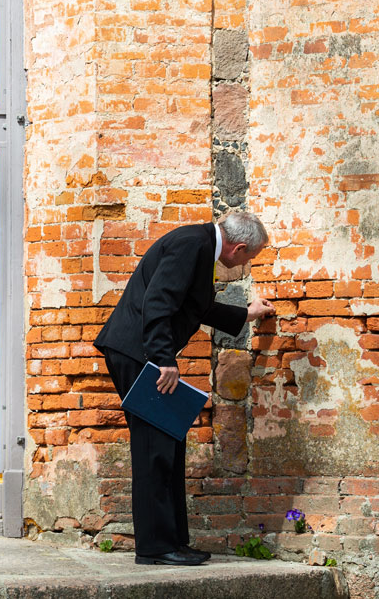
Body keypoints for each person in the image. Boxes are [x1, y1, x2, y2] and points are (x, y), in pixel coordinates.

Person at [93, 211, 274, 566]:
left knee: (169, 441)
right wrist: (164, 360)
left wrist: (246, 313)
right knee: (154, 447)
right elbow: (158, 301)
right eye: (249, 259)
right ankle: (155, 546)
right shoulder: (193, 244)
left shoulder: (200, 244)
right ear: (238, 248)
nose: (244, 266)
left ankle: (172, 539)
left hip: (141, 352)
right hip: (139, 353)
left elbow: (198, 307)